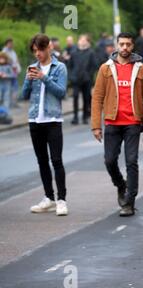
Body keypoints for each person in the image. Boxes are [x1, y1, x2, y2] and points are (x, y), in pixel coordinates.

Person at [91, 32, 143, 216]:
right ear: (116, 45)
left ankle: (129, 202)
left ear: (132, 46)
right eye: (122, 44)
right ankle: (121, 185)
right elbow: (97, 98)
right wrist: (96, 125)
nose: (125, 47)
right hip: (112, 122)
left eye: (128, 44)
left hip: (133, 122)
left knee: (131, 162)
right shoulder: (105, 69)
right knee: (109, 161)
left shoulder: (142, 70)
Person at [22, 34, 69, 216]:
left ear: (48, 47)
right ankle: (48, 197)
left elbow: (61, 92)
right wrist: (28, 79)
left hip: (53, 120)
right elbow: (23, 96)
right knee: (42, 161)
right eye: (34, 51)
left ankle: (62, 200)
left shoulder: (60, 68)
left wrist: (44, 77)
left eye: (40, 50)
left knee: (56, 161)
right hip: (35, 120)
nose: (37, 54)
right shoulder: (32, 68)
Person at [69, 34, 97, 125]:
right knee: (75, 97)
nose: (82, 41)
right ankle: (75, 117)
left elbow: (94, 66)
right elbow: (69, 65)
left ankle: (85, 116)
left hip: (86, 80)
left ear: (87, 42)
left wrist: (89, 75)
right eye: (81, 40)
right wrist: (71, 76)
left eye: (84, 40)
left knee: (86, 98)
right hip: (76, 79)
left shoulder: (91, 52)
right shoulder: (74, 52)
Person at [2, 38, 21, 109]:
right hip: (8, 73)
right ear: (7, 44)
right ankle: (9, 103)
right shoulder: (4, 52)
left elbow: (16, 61)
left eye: (12, 43)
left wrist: (18, 69)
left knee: (15, 88)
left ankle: (14, 103)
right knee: (8, 88)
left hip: (14, 72)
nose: (11, 45)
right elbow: (7, 62)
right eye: (10, 43)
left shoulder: (13, 52)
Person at [0, 52, 14, 124]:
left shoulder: (8, 66)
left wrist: (6, 75)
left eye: (2, 58)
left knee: (6, 100)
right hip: (0, 85)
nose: (1, 60)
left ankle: (6, 115)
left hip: (7, 85)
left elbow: (12, 75)